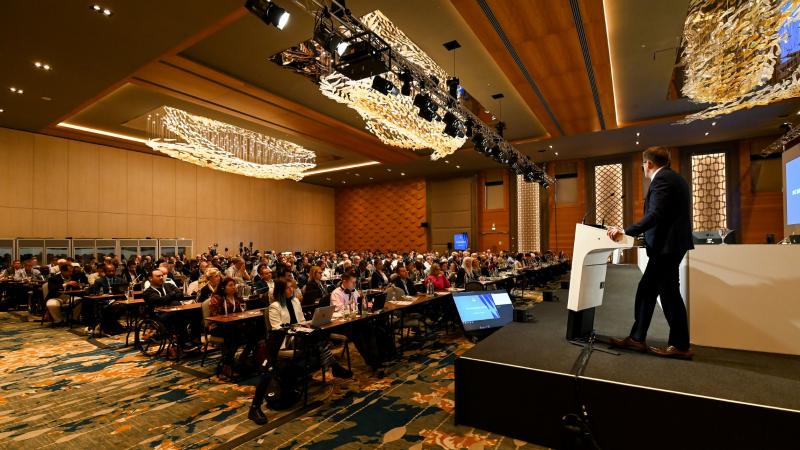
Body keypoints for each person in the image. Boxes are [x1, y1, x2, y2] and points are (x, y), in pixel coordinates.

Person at [607, 146, 694, 359]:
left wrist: (626, 231)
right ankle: (637, 338)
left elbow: (656, 214)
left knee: (669, 294)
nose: (643, 168)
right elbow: (663, 215)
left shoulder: (662, 180)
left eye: (642, 165)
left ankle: (680, 345)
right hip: (669, 246)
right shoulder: (675, 178)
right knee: (647, 290)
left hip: (667, 247)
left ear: (648, 164)